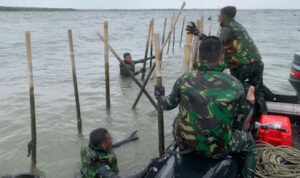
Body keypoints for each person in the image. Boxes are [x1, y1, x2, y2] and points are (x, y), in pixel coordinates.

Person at [154, 36, 256, 178]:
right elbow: (239, 119)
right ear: (222, 56)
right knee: (250, 143)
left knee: (178, 119)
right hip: (219, 148)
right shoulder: (235, 84)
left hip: (186, 144)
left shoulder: (184, 79)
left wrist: (159, 95)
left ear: (199, 57)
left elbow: (166, 105)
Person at [186, 6, 267, 116]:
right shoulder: (238, 26)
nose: (218, 17)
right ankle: (263, 116)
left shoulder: (228, 27)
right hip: (258, 63)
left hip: (242, 65)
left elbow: (215, 44)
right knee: (259, 90)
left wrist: (197, 33)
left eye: (219, 15)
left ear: (223, 16)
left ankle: (238, 118)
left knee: (236, 91)